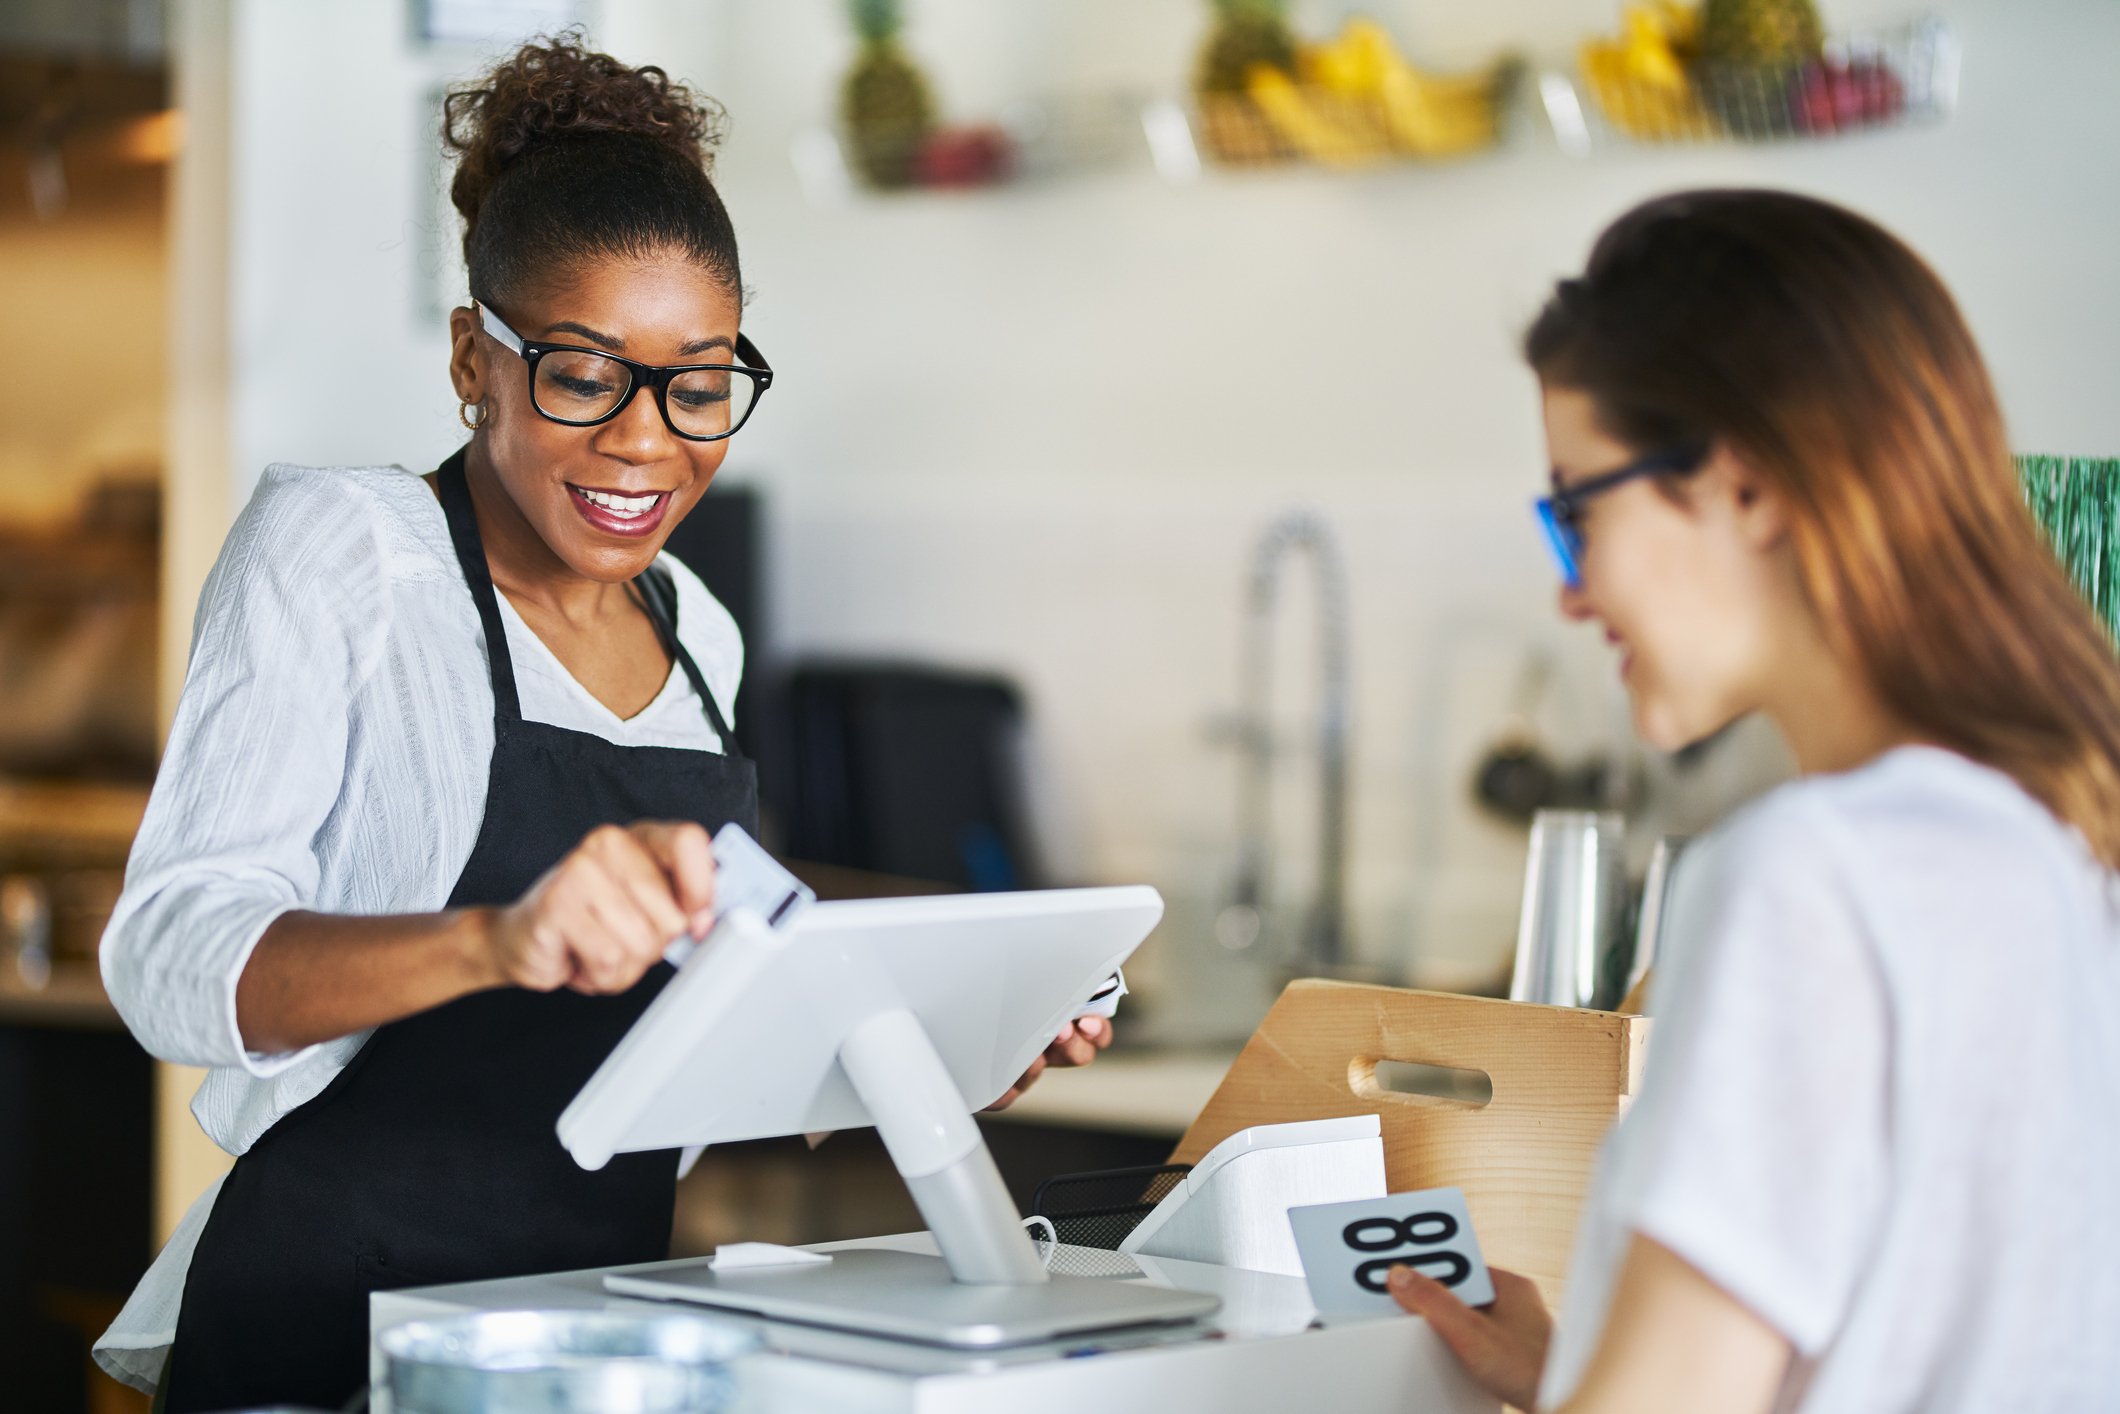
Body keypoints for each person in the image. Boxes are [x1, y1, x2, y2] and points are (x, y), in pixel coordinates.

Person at [93, 40, 1107, 1411]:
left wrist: (964, 1041)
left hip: (588, 1330)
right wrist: (494, 940)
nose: (646, 442)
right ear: (475, 357)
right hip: (330, 1316)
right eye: (583, 374)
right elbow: (166, 956)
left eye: (697, 385)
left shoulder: (697, 622)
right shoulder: (345, 548)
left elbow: (705, 1038)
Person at [1387, 189, 2120, 1412]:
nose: (1569, 592)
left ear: (1748, 486)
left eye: (1576, 511)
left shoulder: (1809, 871)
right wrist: (1565, 1368)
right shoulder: (2056, 845)